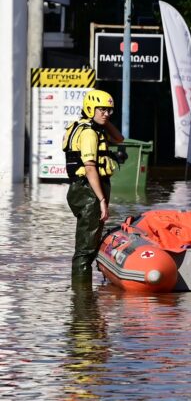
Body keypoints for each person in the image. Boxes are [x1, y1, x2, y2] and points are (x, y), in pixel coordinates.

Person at [63, 89, 124, 277]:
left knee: (89, 244)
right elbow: (90, 168)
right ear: (90, 108)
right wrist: (101, 200)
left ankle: (86, 299)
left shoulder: (87, 126)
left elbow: (120, 139)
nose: (106, 114)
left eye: (109, 111)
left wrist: (104, 121)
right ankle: (82, 300)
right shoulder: (89, 133)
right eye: (102, 110)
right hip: (88, 190)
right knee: (86, 249)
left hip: (87, 189)